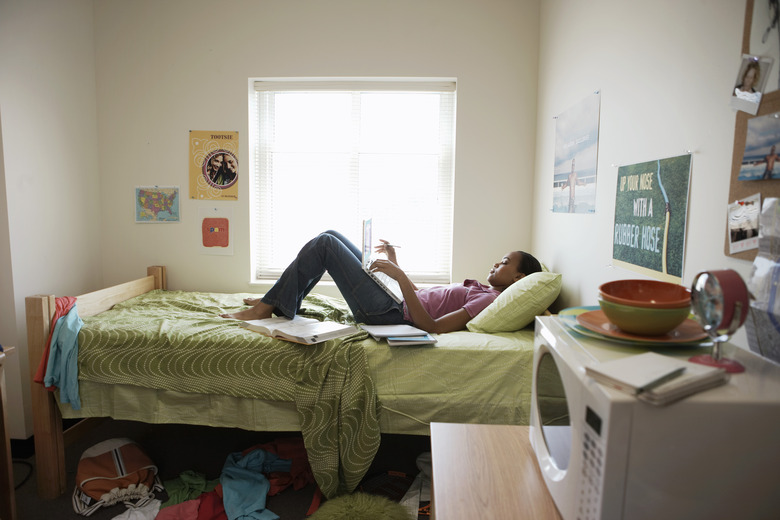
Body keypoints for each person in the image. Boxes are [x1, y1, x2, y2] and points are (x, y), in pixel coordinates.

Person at [221, 230, 542, 334]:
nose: (496, 264)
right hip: (395, 303)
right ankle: (279, 301)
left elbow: (432, 326)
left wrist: (398, 277)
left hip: (388, 314)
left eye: (504, 262)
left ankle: (269, 307)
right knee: (331, 235)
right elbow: (424, 296)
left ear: (518, 278)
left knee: (324, 245)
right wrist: (396, 264)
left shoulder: (488, 299)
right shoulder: (481, 289)